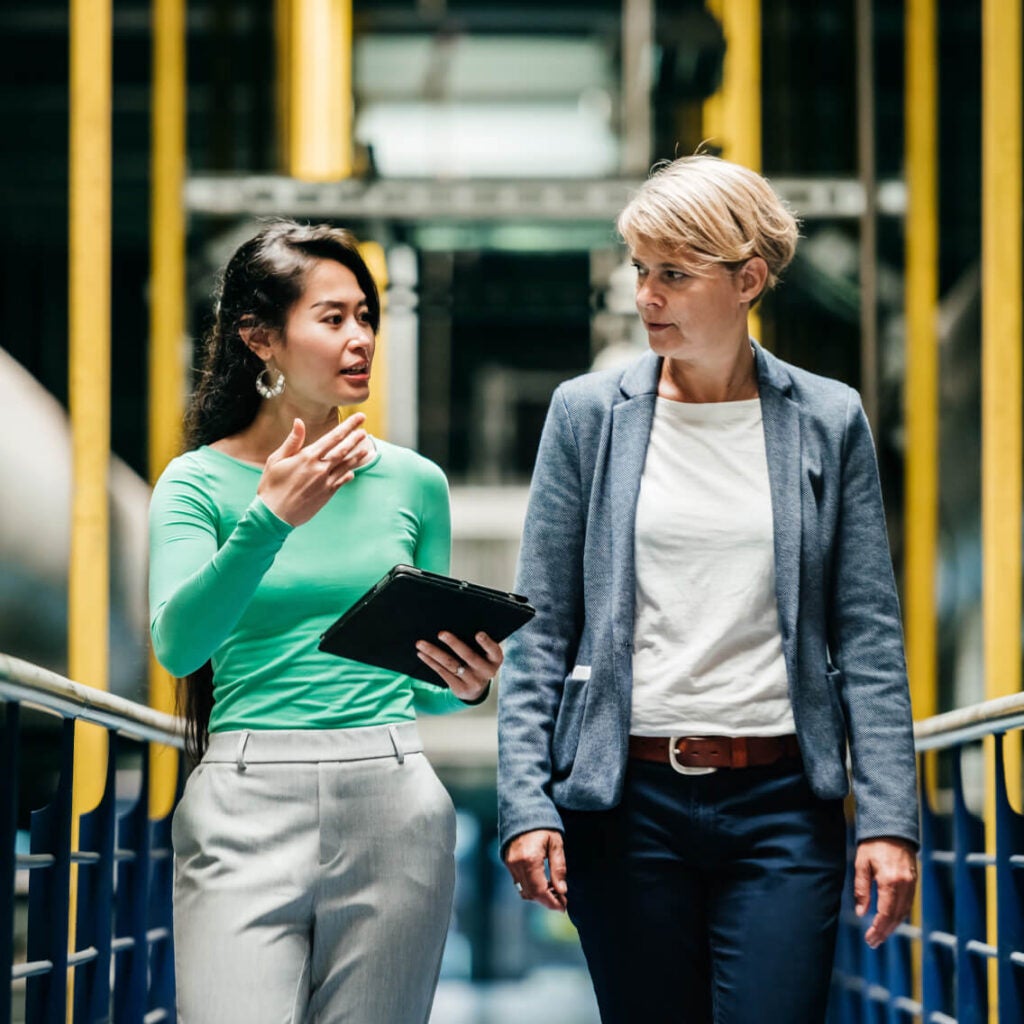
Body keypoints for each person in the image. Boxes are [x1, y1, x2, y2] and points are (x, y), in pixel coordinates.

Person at [497, 155, 919, 1023]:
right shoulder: (587, 415)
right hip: (629, 805)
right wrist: (525, 803)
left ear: (748, 279)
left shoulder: (827, 418)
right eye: (641, 271)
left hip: (783, 805)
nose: (647, 296)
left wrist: (888, 818)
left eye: (675, 276)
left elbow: (867, 631)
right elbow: (540, 629)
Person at [149, 220, 503, 1024]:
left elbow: (434, 697)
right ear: (260, 339)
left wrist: (467, 682)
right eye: (333, 317)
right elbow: (179, 645)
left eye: (367, 316)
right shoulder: (195, 483)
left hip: (393, 797)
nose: (361, 338)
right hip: (244, 798)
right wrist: (269, 520)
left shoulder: (417, 484)